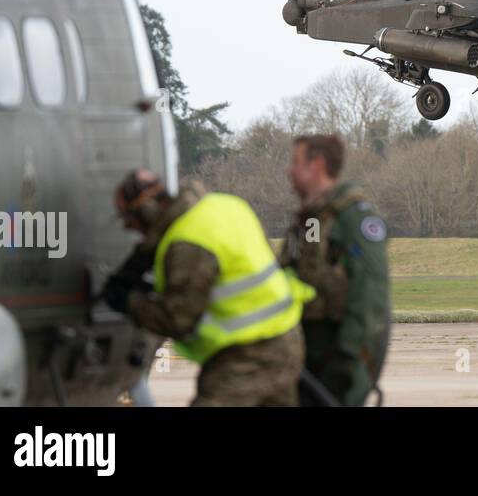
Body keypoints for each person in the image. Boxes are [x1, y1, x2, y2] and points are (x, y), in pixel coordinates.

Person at [103, 169, 313, 407]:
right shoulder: (223, 206)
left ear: (146, 212)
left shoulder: (187, 242)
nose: (130, 229)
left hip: (247, 355)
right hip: (286, 338)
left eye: (129, 221)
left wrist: (130, 300)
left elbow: (177, 319)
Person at [280, 134, 391, 406]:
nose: (289, 170)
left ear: (316, 165)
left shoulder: (353, 218)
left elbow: (370, 298)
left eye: (296, 162)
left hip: (335, 371)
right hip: (303, 364)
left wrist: (346, 366)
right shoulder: (309, 221)